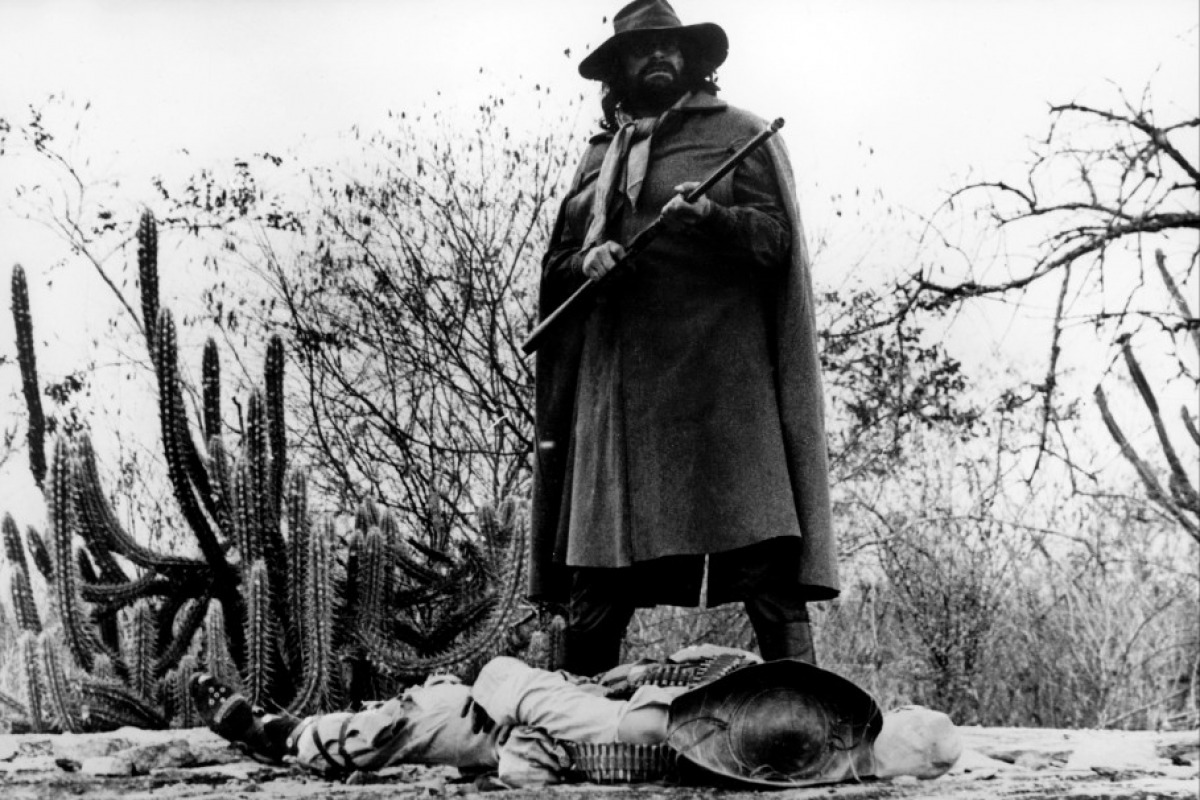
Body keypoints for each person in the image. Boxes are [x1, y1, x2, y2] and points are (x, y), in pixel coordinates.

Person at [531, 0, 838, 676]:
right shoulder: (597, 158)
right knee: (595, 592)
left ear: (692, 57)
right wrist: (587, 261)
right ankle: (577, 726)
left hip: (724, 398)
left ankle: (811, 718)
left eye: (669, 46)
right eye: (640, 49)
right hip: (619, 411)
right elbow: (554, 271)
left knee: (768, 576)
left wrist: (711, 219)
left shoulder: (740, 135)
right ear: (618, 69)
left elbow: (776, 246)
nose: (658, 56)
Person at [190, 648, 963, 789]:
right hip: (563, 718)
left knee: (433, 710)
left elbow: (620, 730)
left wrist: (522, 694)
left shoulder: (780, 742)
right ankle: (286, 733)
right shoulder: (756, 689)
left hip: (545, 733)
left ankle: (281, 737)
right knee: (442, 708)